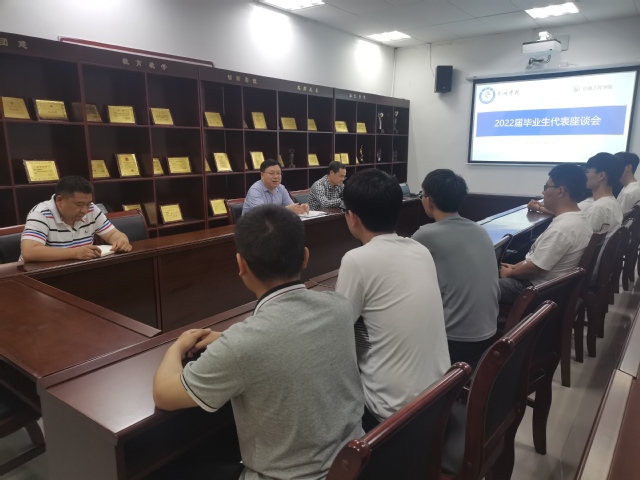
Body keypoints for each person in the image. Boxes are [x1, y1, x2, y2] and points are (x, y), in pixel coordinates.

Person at [153, 204, 364, 480]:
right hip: (352, 467)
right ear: (305, 257)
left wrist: (176, 347)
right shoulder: (340, 306)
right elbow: (289, 338)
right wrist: (228, 339)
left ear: (241, 265)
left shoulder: (241, 346)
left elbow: (164, 394)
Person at [335, 168, 450, 432]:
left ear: (352, 217)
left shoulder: (356, 260)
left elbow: (339, 329)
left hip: (392, 413)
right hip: (440, 394)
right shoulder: (420, 250)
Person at [412, 169, 499, 369]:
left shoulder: (426, 234)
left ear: (429, 200)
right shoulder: (480, 230)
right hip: (489, 335)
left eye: (422, 194)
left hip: (454, 342)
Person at [499, 164, 592, 304]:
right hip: (549, 287)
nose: (543, 192)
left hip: (535, 291)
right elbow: (535, 259)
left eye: (547, 187)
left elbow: (533, 269)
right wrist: (513, 267)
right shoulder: (578, 219)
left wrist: (510, 273)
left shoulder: (562, 228)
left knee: (478, 286)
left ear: (560, 191)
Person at [20, 175, 132, 262]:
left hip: (77, 269)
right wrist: (75, 253)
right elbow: (30, 252)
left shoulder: (92, 209)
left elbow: (113, 234)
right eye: (79, 204)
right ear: (59, 200)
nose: (85, 210)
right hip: (38, 275)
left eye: (88, 204)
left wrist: (121, 240)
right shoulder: (40, 214)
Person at [529, 153, 623, 236]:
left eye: (587, 172)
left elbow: (585, 241)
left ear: (601, 175)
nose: (584, 176)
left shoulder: (598, 208)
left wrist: (539, 208)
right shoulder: (613, 202)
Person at [242, 159, 309, 215]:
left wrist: (300, 209)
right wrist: (286, 210)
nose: (276, 177)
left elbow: (291, 207)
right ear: (262, 175)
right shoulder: (255, 190)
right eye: (271, 173)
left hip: (274, 224)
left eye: (278, 173)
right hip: (253, 225)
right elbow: (262, 214)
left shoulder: (281, 188)